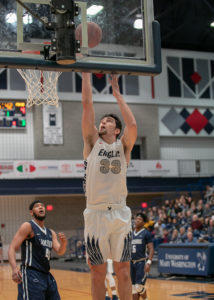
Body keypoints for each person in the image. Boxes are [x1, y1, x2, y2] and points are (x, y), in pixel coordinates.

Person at [82, 73, 137, 300]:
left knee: (124, 271)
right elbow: (87, 104)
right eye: (102, 121)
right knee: (97, 272)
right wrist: (86, 73)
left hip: (120, 213)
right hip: (95, 213)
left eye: (109, 121)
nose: (103, 122)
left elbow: (132, 124)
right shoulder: (91, 142)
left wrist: (117, 93)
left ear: (116, 130)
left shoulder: (123, 146)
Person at [8, 200, 67, 300]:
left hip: (46, 275)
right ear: (31, 212)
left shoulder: (50, 232)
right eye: (37, 206)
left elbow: (60, 251)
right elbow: (12, 248)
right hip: (31, 273)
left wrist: (64, 243)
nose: (41, 207)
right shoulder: (28, 226)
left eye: (42, 206)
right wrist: (14, 269)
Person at [131, 213, 154, 300]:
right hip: (131, 263)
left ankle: (146, 298)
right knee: (133, 288)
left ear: (143, 222)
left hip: (141, 263)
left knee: (138, 287)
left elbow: (151, 249)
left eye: (139, 219)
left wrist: (149, 262)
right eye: (136, 218)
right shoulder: (131, 233)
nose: (136, 220)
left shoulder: (146, 233)